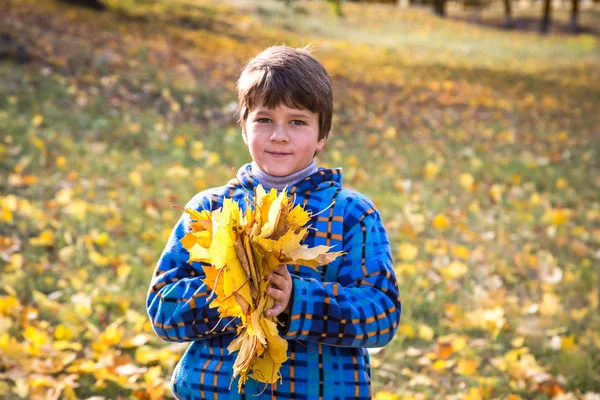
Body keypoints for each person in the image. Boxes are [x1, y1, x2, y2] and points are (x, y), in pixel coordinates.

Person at [146, 45, 402, 400]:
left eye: (297, 122)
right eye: (264, 119)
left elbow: (383, 314)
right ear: (244, 127)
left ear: (321, 135)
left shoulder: (351, 214)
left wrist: (299, 299)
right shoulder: (211, 209)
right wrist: (229, 291)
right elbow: (162, 309)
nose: (278, 135)